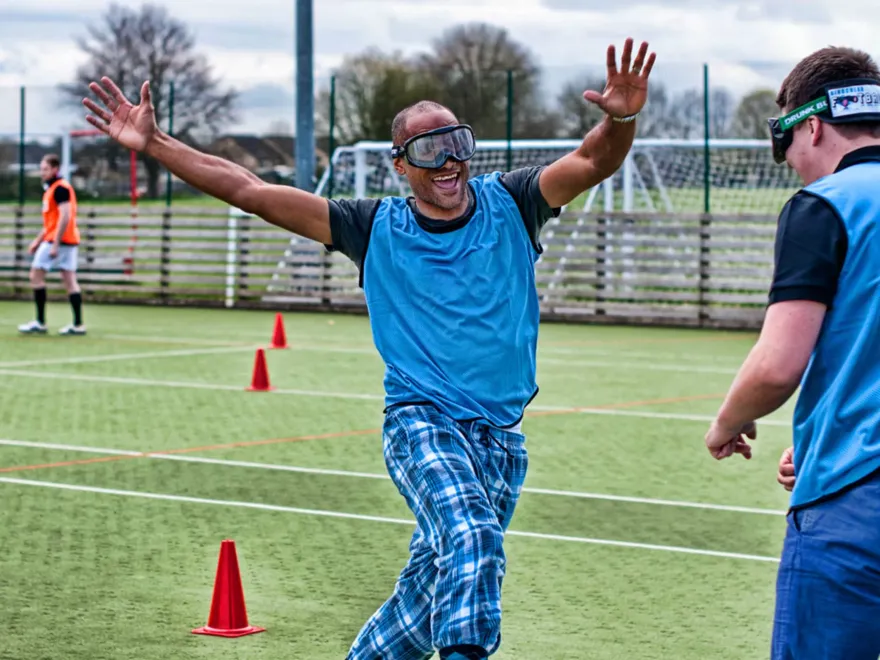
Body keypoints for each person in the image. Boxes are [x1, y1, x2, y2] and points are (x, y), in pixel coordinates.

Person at [83, 37, 655, 659]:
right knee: (472, 537)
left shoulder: (514, 201)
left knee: (424, 598)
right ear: (400, 165)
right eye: (428, 149)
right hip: (422, 423)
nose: (448, 161)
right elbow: (248, 189)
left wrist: (621, 118)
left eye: (457, 143)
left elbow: (592, 160)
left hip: (502, 438)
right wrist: (156, 144)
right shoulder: (372, 225)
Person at [704, 46, 880, 660]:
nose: (791, 167)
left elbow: (778, 365)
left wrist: (728, 421)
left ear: (812, 126)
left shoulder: (826, 204)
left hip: (855, 501)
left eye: (787, 145)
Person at [18, 154, 86, 336]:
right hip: (68, 240)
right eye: (41, 169)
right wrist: (37, 240)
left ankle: (40, 322)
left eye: (45, 169)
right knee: (70, 281)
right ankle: (78, 325)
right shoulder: (53, 189)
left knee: (35, 276)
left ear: (56, 169)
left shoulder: (60, 188)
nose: (42, 173)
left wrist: (55, 243)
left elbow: (65, 216)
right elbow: (52, 222)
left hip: (58, 241)